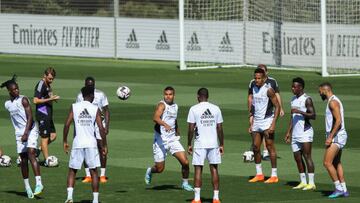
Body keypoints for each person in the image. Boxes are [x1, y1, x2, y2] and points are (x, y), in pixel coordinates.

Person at [1, 75, 43, 199]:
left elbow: (30, 117)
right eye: (14, 89)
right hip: (19, 133)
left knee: (31, 153)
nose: (17, 91)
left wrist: (26, 133)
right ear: (9, 91)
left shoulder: (23, 99)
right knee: (23, 160)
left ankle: (39, 183)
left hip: (30, 130)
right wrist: (21, 133)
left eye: (17, 88)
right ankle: (27, 187)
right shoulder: (7, 104)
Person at [144, 86, 194, 191]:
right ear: (164, 95)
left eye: (170, 94)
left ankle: (185, 183)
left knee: (185, 162)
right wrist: (164, 124)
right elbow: (155, 118)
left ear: (174, 95)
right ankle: (150, 170)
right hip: (160, 140)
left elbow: (174, 119)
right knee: (160, 169)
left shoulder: (175, 106)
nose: (168, 96)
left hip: (172, 139)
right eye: (166, 94)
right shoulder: (162, 105)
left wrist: (177, 129)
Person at [63, 86, 107, 203]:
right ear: (92, 95)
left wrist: (65, 141)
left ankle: (69, 197)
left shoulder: (74, 106)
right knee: (94, 172)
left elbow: (67, 124)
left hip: (78, 142)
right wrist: (104, 145)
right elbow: (101, 128)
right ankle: (95, 200)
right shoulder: (95, 108)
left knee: (72, 170)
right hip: (91, 144)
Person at [187, 88, 224, 203]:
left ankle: (197, 199)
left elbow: (191, 128)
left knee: (198, 169)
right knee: (214, 169)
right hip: (213, 143)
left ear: (198, 96)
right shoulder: (216, 108)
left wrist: (189, 143)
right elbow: (219, 128)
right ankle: (216, 198)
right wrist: (221, 144)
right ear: (207, 96)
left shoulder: (194, 109)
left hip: (199, 144)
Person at [248, 68, 280, 183]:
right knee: (256, 148)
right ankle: (259, 174)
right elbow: (254, 106)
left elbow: (277, 106)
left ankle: (274, 175)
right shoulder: (253, 87)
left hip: (267, 121)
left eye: (259, 78)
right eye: (255, 78)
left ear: (264, 78)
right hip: (257, 121)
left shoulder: (269, 90)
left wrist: (273, 123)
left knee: (270, 147)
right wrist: (251, 121)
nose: (256, 80)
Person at [76, 77, 110, 183]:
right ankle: (88, 175)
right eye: (88, 85)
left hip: (99, 123)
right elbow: (77, 110)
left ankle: (103, 175)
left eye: (92, 85)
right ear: (85, 85)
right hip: (87, 124)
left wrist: (107, 126)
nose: (91, 87)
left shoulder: (100, 94)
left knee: (101, 146)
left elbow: (106, 111)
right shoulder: (80, 96)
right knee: (86, 147)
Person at [284, 77, 316, 190]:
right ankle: (303, 181)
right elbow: (292, 117)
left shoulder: (307, 99)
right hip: (295, 134)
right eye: (292, 86)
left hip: (305, 132)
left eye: (294, 86)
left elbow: (313, 115)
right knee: (297, 157)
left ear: (301, 87)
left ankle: (311, 183)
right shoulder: (293, 99)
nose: (292, 88)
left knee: (307, 156)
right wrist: (288, 132)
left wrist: (300, 111)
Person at [318, 82, 349, 198]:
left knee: (327, 163)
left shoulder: (332, 102)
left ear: (325, 90)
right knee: (336, 162)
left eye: (320, 91)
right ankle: (344, 189)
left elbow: (338, 121)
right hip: (338, 135)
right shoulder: (333, 101)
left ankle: (338, 188)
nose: (319, 93)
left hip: (337, 136)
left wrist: (330, 137)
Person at [33, 67, 60, 166]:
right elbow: (35, 100)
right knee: (44, 138)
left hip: (48, 115)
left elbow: (49, 95)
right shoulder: (41, 84)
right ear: (44, 76)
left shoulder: (48, 84)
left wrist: (53, 98)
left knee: (53, 136)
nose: (51, 80)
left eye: (53, 79)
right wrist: (50, 99)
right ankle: (47, 161)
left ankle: (38, 150)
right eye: (49, 79)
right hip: (42, 114)